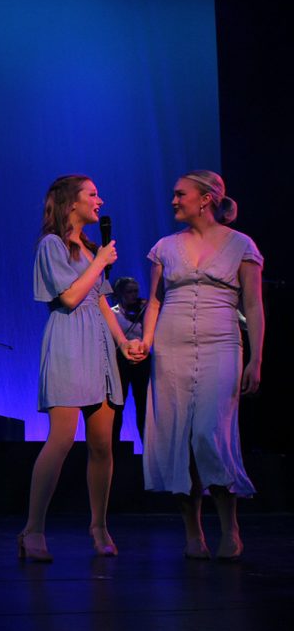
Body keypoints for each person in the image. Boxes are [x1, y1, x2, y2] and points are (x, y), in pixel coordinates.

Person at [18, 175, 144, 562]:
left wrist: (124, 343)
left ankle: (99, 525)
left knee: (103, 444)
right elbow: (70, 297)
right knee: (61, 440)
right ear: (71, 202)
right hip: (69, 341)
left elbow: (102, 303)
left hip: (101, 348)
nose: (99, 200)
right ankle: (33, 529)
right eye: (92, 194)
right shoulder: (52, 245)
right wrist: (102, 261)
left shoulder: (90, 250)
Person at [139, 170, 263, 561]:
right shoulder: (165, 247)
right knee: (177, 437)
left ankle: (230, 527)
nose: (174, 201)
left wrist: (257, 357)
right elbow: (155, 300)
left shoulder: (240, 245)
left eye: (180, 194)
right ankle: (193, 531)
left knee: (211, 433)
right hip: (171, 346)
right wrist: (145, 339)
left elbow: (254, 305)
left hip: (221, 343)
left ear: (205, 198)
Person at [109, 277, 150, 442]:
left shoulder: (143, 311)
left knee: (143, 405)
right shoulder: (113, 313)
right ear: (120, 294)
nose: (134, 295)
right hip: (120, 361)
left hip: (142, 360)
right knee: (118, 404)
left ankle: (147, 448)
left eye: (136, 292)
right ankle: (115, 447)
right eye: (129, 292)